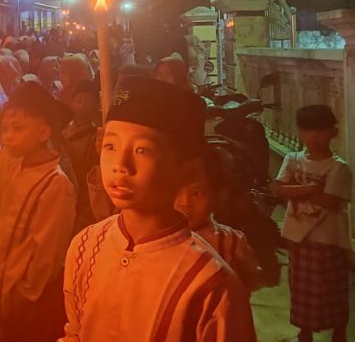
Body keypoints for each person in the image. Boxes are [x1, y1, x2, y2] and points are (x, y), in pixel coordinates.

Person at [62, 77, 255, 341]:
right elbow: (76, 331)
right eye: (111, 145)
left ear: (184, 168)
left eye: (142, 149)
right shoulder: (84, 246)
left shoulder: (210, 284)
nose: (121, 165)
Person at [0, 82, 76, 341]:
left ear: (44, 132)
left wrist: (24, 294)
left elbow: (47, 253)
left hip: (22, 307)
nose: (8, 136)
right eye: (5, 129)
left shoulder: (56, 185)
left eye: (18, 129)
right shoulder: (13, 167)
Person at [274, 105, 352, 342]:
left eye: (319, 130)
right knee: (302, 290)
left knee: (333, 289)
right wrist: (309, 188)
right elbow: (277, 189)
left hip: (329, 239)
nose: (313, 136)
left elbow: (329, 200)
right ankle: (304, 331)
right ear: (300, 132)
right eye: (307, 130)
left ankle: (339, 330)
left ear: (332, 132)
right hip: (299, 237)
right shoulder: (292, 158)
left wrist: (294, 190)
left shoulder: (340, 168)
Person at [174, 146, 260, 292]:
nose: (185, 202)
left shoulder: (231, 242)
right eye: (176, 191)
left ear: (218, 195)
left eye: (197, 193)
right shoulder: (153, 236)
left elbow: (251, 277)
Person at [62, 80, 102, 231]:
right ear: (72, 103)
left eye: (89, 103)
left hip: (85, 198)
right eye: (79, 101)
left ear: (96, 106)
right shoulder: (63, 132)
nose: (83, 107)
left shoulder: (96, 137)